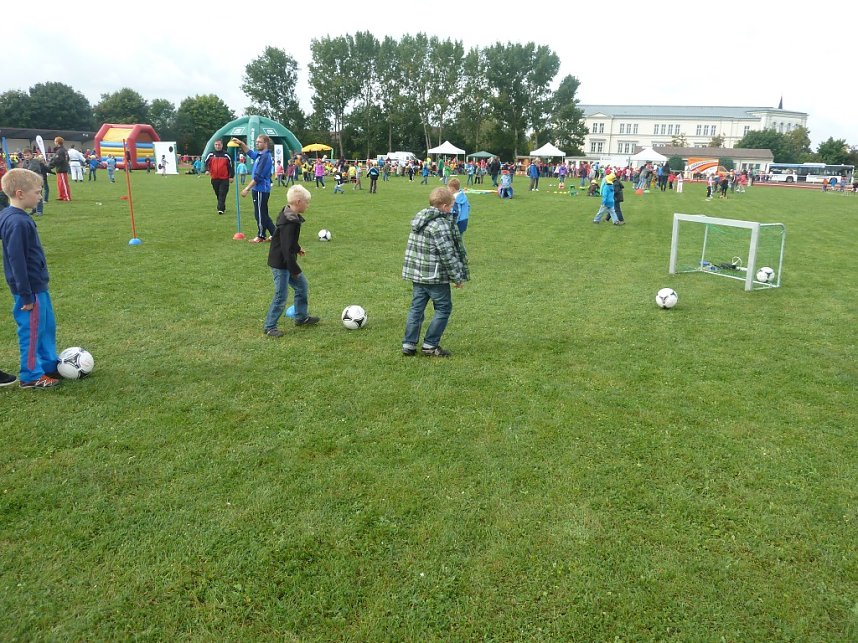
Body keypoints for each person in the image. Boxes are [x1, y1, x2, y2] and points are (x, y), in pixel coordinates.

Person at [0, 169, 61, 388]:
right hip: (29, 290)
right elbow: (17, 260)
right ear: (20, 193)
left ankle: (48, 364)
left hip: (38, 285)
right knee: (32, 330)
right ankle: (31, 375)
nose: (40, 196)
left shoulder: (16, 217)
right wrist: (25, 294)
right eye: (37, 192)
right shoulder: (17, 222)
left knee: (46, 326)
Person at [401, 187, 470, 357]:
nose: (453, 209)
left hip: (418, 275)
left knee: (416, 308)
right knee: (443, 308)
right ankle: (430, 345)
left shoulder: (420, 219)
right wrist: (457, 277)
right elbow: (448, 253)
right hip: (435, 277)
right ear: (445, 206)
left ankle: (409, 344)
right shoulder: (440, 225)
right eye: (452, 205)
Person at [263, 184, 320, 336]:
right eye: (307, 202)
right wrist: (294, 270)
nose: (308, 205)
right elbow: (285, 249)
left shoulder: (289, 216)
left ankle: (301, 318)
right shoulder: (289, 222)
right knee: (281, 295)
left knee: (302, 287)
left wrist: (297, 247)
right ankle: (269, 326)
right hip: (281, 264)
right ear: (298, 202)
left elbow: (287, 242)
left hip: (286, 260)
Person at [232, 135, 275, 243]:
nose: (257, 143)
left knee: (259, 214)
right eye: (256, 142)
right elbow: (250, 153)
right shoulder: (260, 155)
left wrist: (246, 189)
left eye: (259, 142)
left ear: (265, 143)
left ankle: (261, 236)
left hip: (261, 189)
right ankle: (275, 234)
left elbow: (258, 177)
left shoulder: (265, 157)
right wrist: (241, 143)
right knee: (263, 214)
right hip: (258, 189)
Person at [204, 140, 234, 215]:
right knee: (218, 193)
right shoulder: (211, 154)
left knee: (222, 193)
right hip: (214, 178)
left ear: (222, 145)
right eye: (216, 145)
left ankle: (220, 209)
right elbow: (206, 163)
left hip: (224, 178)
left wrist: (231, 176)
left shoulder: (226, 155)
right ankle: (222, 206)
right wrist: (207, 170)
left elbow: (231, 166)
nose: (217, 146)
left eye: (219, 145)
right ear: (214, 145)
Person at [19, 150, 51, 216]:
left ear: (32, 155)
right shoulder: (25, 162)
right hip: (30, 181)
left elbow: (30, 170)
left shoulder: (35, 161)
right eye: (25, 155)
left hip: (36, 180)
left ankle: (39, 211)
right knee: (32, 196)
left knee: (38, 195)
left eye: (28, 155)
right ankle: (33, 209)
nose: (26, 157)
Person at [49, 137, 71, 201]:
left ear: (57, 142)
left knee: (63, 183)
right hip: (61, 168)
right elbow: (67, 158)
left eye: (55, 141)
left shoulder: (60, 151)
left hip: (62, 169)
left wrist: (50, 165)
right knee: (60, 183)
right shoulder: (64, 150)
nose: (54, 142)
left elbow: (58, 160)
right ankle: (61, 195)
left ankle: (66, 196)